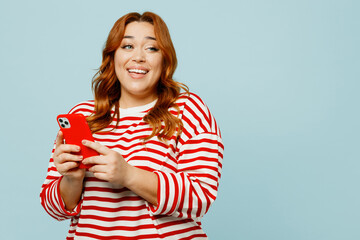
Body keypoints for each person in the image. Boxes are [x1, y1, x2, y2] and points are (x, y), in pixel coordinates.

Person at [40, 11, 224, 240]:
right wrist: (72, 179)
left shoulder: (188, 110)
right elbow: (53, 208)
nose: (138, 57)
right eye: (127, 46)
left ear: (165, 58)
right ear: (112, 56)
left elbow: (200, 197)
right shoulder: (83, 115)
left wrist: (128, 175)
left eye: (151, 48)